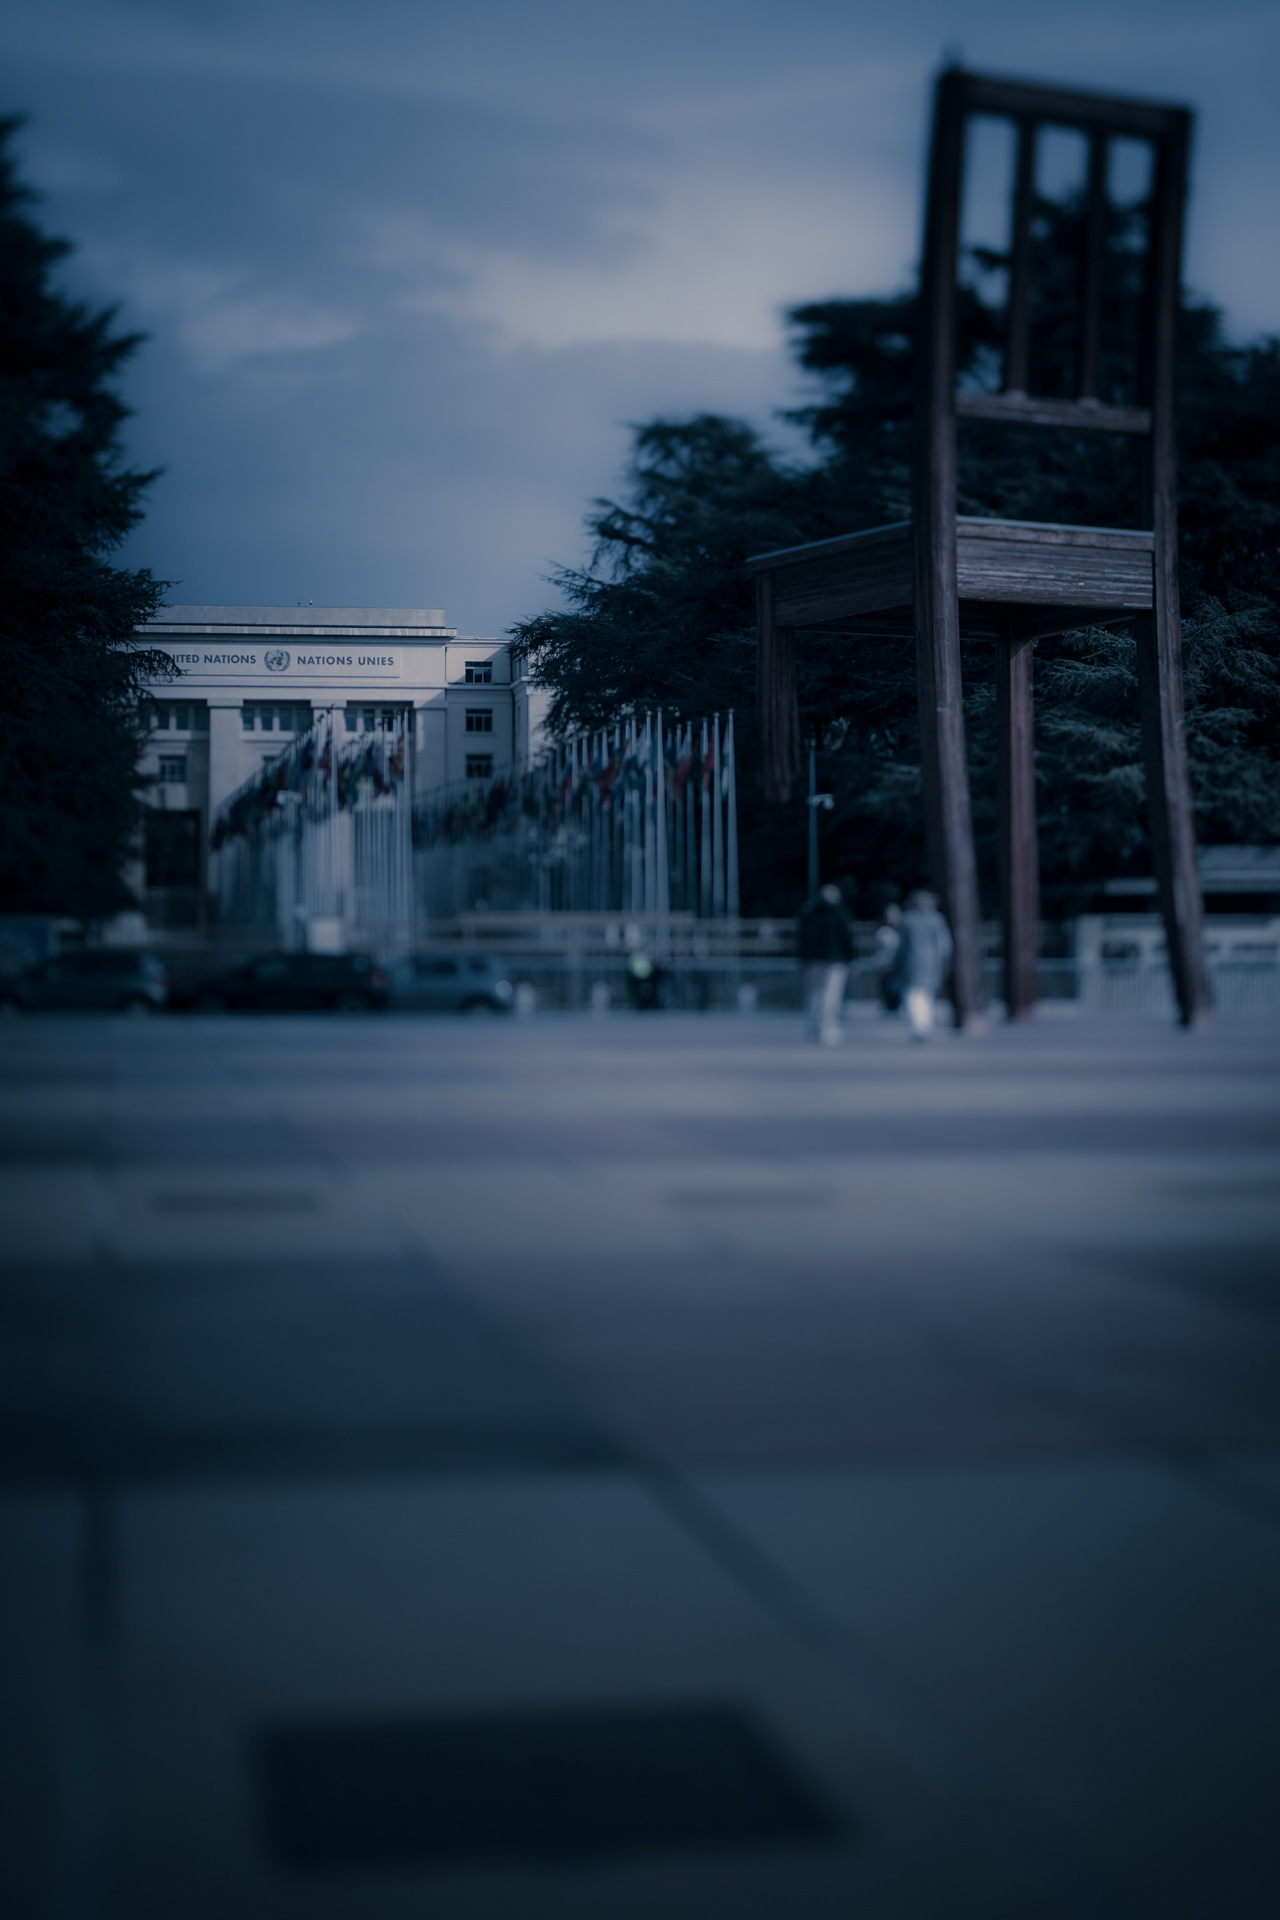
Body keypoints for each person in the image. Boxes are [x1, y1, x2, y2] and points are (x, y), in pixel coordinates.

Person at [798, 883, 854, 1045]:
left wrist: (804, 958)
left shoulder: (810, 913)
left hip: (813, 960)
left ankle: (813, 1026)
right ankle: (828, 1028)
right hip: (835, 960)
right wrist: (850, 959)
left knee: (814, 994)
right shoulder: (840, 914)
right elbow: (846, 939)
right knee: (832, 995)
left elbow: (803, 939)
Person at [896, 889, 953, 1039]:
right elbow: (945, 944)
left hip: (912, 961)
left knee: (913, 993)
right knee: (928, 994)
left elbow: (901, 945)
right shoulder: (937, 919)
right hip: (932, 961)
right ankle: (926, 1024)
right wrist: (944, 962)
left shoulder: (907, 919)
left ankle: (918, 1026)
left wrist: (897, 962)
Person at [874, 902, 903, 1012]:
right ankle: (890, 1007)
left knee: (894, 988)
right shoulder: (882, 932)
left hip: (897, 965)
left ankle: (895, 1007)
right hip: (885, 964)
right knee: (887, 988)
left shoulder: (903, 931)